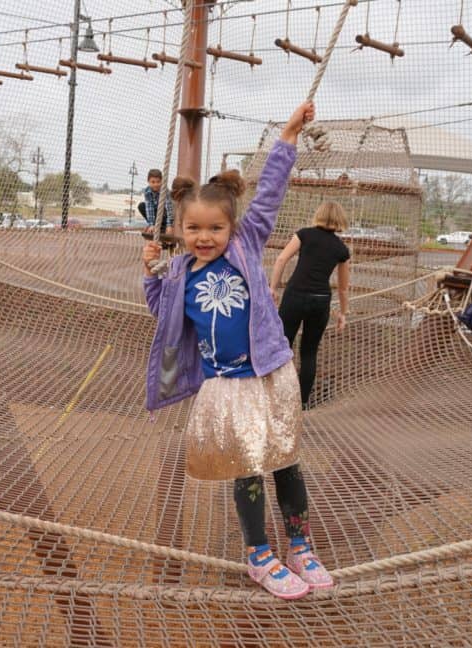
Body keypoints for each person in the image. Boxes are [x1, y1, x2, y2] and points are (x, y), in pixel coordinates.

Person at [142, 102, 333, 600]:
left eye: (215, 229)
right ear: (181, 230)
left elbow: (268, 194)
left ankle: (300, 544)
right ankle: (258, 553)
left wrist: (288, 135)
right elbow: (162, 315)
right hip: (226, 385)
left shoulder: (246, 245)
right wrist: (149, 274)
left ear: (231, 228)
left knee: (286, 460)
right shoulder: (181, 272)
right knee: (247, 467)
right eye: (193, 229)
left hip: (269, 374)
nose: (204, 238)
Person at [270, 201, 350, 409]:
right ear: (340, 220)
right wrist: (343, 313)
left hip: (295, 295)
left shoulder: (304, 234)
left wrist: (273, 288)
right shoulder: (341, 249)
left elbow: (281, 260)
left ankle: (275, 396)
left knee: (282, 345)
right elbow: (343, 288)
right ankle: (302, 402)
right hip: (320, 300)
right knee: (309, 352)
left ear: (319, 215)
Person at [138, 168, 175, 235]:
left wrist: (169, 225)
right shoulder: (147, 191)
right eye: (153, 182)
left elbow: (169, 209)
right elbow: (150, 209)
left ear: (161, 181)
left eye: (158, 182)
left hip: (165, 214)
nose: (156, 184)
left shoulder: (165, 191)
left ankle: (164, 227)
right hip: (156, 214)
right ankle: (154, 226)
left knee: (166, 210)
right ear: (148, 181)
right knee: (141, 206)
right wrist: (151, 224)